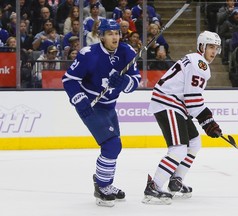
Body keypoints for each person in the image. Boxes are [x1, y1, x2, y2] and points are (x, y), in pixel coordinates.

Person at [62, 19, 141, 207]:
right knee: (112, 145)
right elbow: (69, 80)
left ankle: (105, 183)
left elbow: (136, 80)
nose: (115, 37)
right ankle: (102, 186)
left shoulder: (127, 52)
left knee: (114, 146)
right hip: (91, 106)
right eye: (110, 34)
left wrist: (123, 83)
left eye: (117, 33)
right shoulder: (88, 54)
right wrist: (80, 101)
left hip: (110, 106)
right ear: (101, 36)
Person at [142, 31, 222, 205]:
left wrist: (207, 121)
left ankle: (176, 180)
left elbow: (191, 100)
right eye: (210, 47)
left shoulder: (194, 59)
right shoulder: (199, 64)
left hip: (175, 104)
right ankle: (153, 187)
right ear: (202, 46)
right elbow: (193, 101)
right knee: (178, 149)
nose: (214, 51)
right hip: (168, 103)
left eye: (216, 48)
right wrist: (208, 121)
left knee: (194, 142)